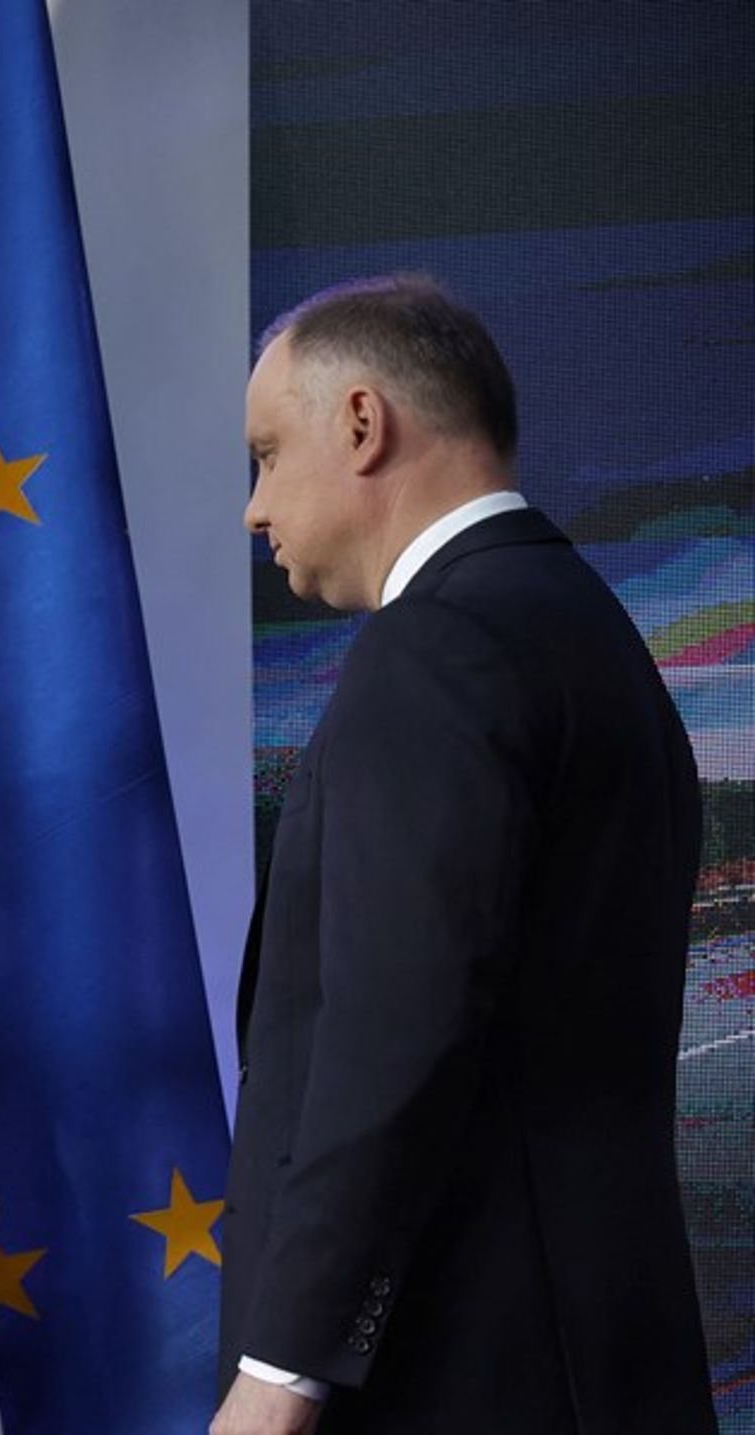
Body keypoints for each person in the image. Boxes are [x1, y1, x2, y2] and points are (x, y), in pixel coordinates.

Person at [215, 277, 715, 1434]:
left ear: (359, 423)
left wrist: (283, 1364)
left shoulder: (432, 649)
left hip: (457, 1369)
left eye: (265, 454)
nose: (253, 508)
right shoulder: (588, 634)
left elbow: (394, 1029)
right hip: (598, 1349)